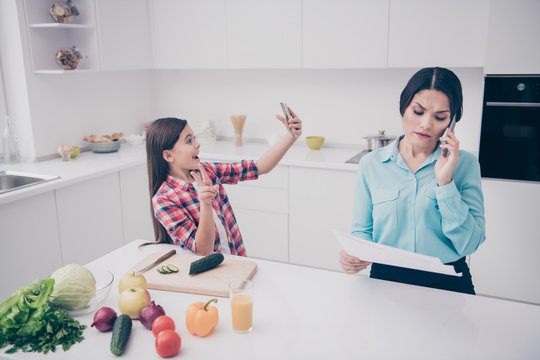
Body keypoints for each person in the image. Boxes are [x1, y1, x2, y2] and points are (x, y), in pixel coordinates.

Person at [339, 67, 485, 294]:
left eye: (440, 117)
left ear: (452, 121)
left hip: (448, 284)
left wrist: (445, 184)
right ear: (403, 107)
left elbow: (469, 244)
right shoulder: (372, 164)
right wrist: (355, 255)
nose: (426, 124)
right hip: (385, 280)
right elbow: (362, 231)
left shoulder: (465, 165)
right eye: (418, 111)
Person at [145, 107, 302, 256]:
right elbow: (202, 251)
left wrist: (291, 135)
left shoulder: (207, 171)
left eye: (194, 138)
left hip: (236, 260)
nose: (197, 144)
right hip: (211, 275)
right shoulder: (163, 200)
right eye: (188, 141)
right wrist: (205, 203)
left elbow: (260, 166)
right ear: (168, 156)